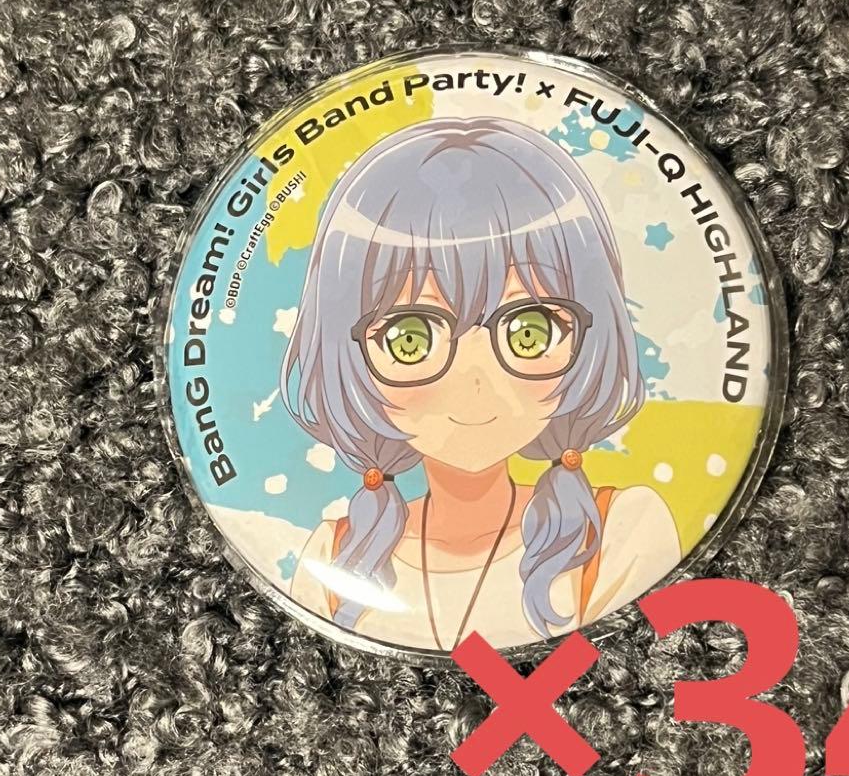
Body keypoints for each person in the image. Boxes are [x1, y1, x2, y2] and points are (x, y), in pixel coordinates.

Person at [280, 115, 681, 651]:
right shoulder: (333, 560)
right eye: (410, 338)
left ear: (590, 336)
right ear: (345, 351)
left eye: (529, 331)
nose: (474, 382)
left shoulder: (622, 533)